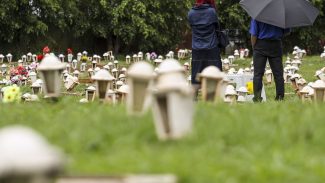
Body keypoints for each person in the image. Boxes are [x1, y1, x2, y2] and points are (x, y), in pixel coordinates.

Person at [250, 19, 290, 102]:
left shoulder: (257, 15)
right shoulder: (281, 15)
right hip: (276, 44)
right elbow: (286, 31)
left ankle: (257, 98)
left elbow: (254, 34)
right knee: (278, 74)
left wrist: (254, 47)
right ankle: (279, 98)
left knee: (258, 74)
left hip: (260, 44)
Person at [188, 0, 222, 95]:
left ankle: (194, 98)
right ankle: (214, 97)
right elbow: (217, 28)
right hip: (211, 48)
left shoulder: (191, 13)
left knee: (196, 74)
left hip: (197, 48)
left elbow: (192, 27)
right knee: (215, 74)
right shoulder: (211, 12)